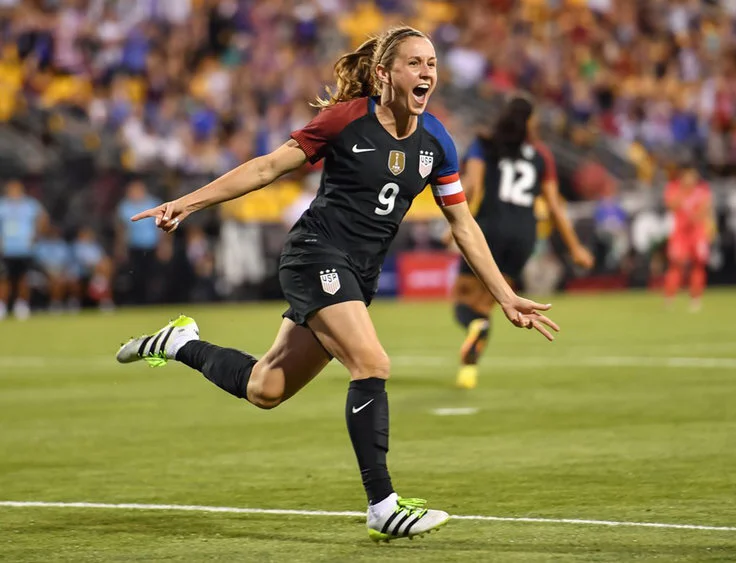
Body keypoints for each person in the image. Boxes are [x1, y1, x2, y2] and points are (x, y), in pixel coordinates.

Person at [115, 27, 559, 542]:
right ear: (384, 73)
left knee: (265, 388)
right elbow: (266, 168)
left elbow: (463, 223)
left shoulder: (437, 140)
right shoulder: (346, 120)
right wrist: (186, 203)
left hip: (357, 274)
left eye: (432, 64)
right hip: (315, 254)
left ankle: (179, 343)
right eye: (415, 63)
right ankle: (383, 507)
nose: (427, 73)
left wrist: (505, 296)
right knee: (372, 363)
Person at [449, 94, 593, 390]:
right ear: (528, 122)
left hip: (489, 227)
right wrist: (575, 248)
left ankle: (474, 326)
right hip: (525, 235)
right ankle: (469, 367)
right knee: (491, 301)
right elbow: (554, 207)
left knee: (463, 299)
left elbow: (472, 186)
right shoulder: (542, 155)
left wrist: (453, 222)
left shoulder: (484, 144)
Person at [663, 162, 712, 312]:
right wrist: (682, 194)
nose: (691, 178)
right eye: (688, 175)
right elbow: (671, 206)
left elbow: (705, 209)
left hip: (697, 233)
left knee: (698, 264)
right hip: (680, 234)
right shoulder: (673, 188)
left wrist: (697, 218)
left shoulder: (702, 190)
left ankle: (695, 299)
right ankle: (669, 298)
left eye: (693, 175)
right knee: (676, 264)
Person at [0, 179, 47, 320]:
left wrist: (36, 235)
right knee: (3, 278)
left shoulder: (30, 204)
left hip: (25, 248)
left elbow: (43, 218)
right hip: (6, 249)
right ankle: (2, 304)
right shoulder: (2, 205)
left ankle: (22, 304)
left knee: (24, 278)